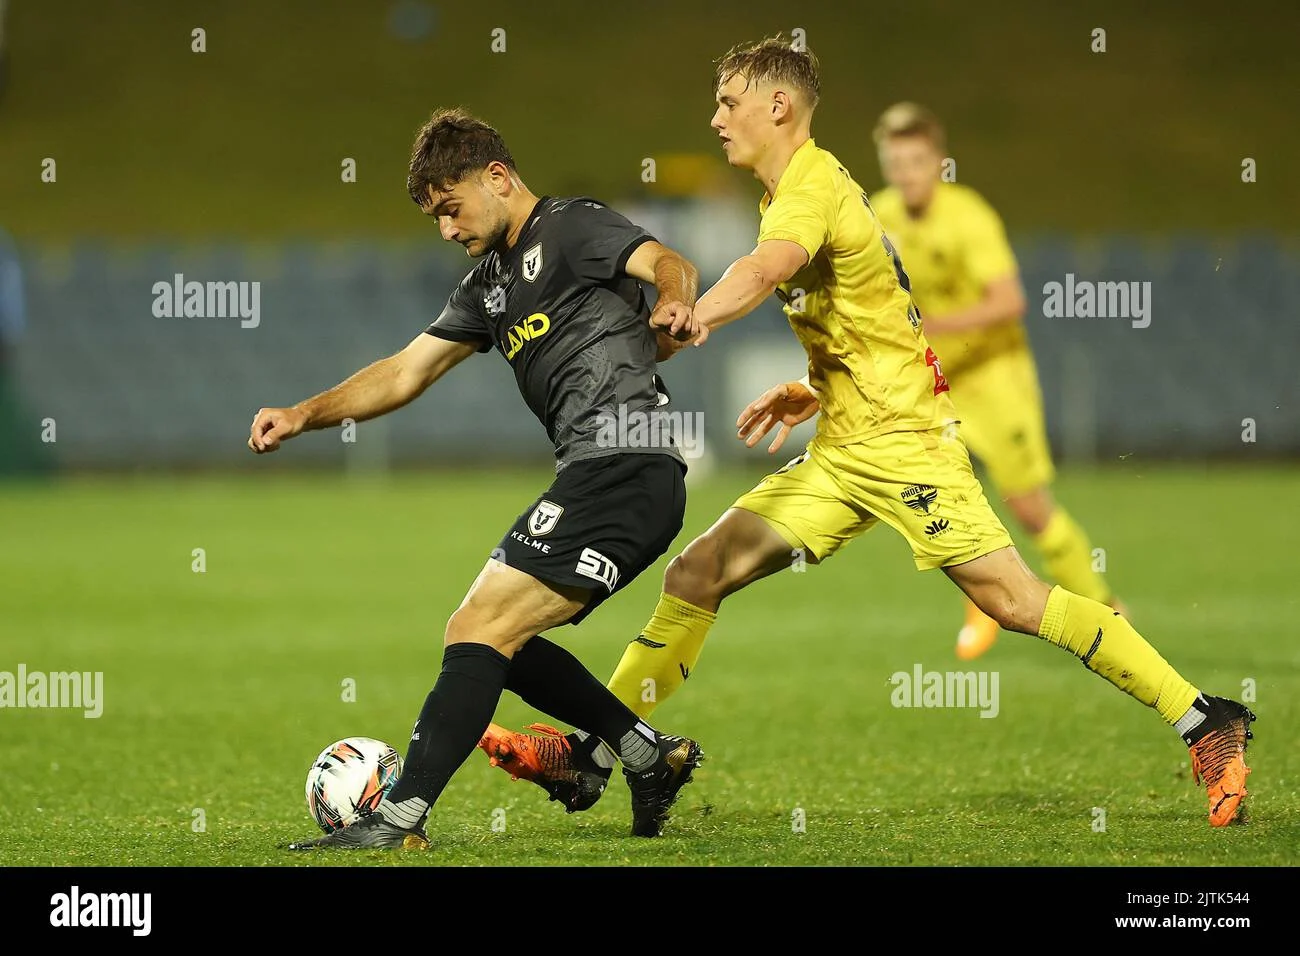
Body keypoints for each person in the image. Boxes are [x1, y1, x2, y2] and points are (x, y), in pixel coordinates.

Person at [478, 38, 1254, 829]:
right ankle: (599, 755)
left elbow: (762, 270)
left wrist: (689, 313)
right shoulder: (808, 189)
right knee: (696, 574)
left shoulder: (807, 189)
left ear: (777, 106)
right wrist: (815, 387)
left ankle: (1205, 720)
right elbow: (875, 310)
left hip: (907, 444)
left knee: (1016, 601)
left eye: (728, 102)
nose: (715, 119)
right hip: (847, 448)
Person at [249, 108, 706, 848]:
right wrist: (305, 414)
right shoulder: (488, 287)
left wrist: (675, 299)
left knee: (475, 630)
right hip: (596, 474)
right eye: (433, 216)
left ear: (496, 178)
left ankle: (399, 817)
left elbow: (666, 260)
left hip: (628, 463)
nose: (445, 229)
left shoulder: (571, 227)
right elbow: (406, 370)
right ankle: (644, 755)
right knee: (501, 642)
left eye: (450, 207)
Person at [867, 102, 1123, 660]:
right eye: (895, 161)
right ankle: (983, 606)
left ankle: (1108, 612)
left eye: (916, 160)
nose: (906, 172)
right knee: (932, 498)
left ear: (939, 162)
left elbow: (1009, 302)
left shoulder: (968, 217)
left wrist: (934, 324)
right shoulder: (880, 213)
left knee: (1029, 507)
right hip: (935, 382)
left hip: (992, 376)